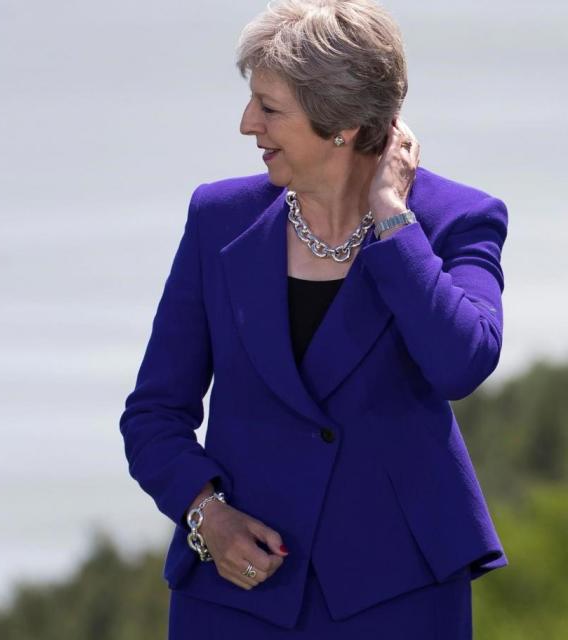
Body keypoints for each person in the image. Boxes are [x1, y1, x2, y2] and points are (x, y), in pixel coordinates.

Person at [120, 0, 507, 637]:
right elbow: (154, 414)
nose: (248, 124)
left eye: (270, 108)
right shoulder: (220, 218)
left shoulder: (457, 218)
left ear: (343, 124)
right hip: (238, 591)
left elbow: (461, 361)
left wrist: (391, 216)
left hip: (400, 594)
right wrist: (205, 515)